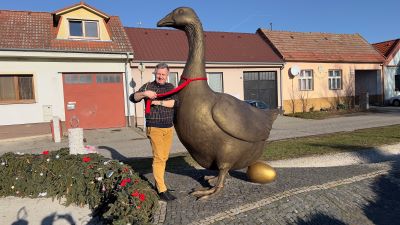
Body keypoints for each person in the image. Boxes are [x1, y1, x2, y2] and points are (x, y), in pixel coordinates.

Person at [130, 62, 178, 201]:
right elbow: (133, 98)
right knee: (159, 157)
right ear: (155, 73)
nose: (160, 76)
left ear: (167, 75)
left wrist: (157, 101)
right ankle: (162, 190)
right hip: (154, 126)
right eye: (158, 74)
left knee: (164, 157)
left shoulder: (170, 87)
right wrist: (145, 94)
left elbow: (174, 103)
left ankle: (160, 184)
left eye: (163, 74)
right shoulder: (148, 86)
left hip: (168, 127)